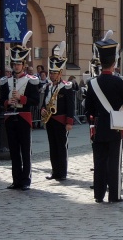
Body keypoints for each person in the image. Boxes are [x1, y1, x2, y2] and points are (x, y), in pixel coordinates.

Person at [85, 31, 123, 203]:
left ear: (100, 63)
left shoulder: (92, 83)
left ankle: (98, 194)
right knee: (114, 162)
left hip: (99, 126)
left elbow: (88, 109)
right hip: (115, 126)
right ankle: (114, 195)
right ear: (114, 63)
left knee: (99, 162)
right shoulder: (118, 82)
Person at [0, 31, 39, 191]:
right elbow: (1, 100)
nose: (15, 66)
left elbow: (35, 101)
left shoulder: (31, 81)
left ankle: (26, 180)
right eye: (14, 64)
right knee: (14, 151)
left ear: (23, 64)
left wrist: (22, 99)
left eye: (18, 64)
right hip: (10, 117)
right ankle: (16, 180)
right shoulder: (5, 81)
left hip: (24, 117)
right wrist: (7, 101)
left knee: (25, 150)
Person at [41, 41, 74, 181]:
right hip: (50, 120)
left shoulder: (66, 87)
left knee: (61, 147)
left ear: (60, 73)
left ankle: (62, 172)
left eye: (54, 73)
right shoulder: (48, 87)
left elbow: (71, 105)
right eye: (51, 72)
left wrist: (69, 122)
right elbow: (44, 102)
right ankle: (55, 171)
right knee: (52, 146)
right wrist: (42, 109)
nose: (52, 75)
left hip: (61, 120)